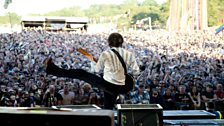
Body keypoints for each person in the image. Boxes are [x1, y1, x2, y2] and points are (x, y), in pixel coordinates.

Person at [44, 32, 140, 110]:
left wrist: (94, 62)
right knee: (108, 108)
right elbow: (136, 72)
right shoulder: (129, 54)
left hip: (111, 85)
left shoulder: (106, 54)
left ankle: (51, 69)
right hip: (125, 86)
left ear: (110, 43)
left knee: (81, 73)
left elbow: (96, 70)